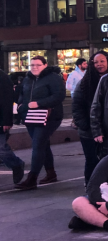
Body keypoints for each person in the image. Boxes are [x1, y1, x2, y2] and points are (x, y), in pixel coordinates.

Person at [13, 56, 66, 190]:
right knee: (42, 144)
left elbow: (59, 96)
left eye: (38, 65)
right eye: (32, 65)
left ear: (45, 65)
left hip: (49, 116)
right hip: (30, 117)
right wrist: (21, 106)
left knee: (38, 144)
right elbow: (22, 93)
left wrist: (39, 103)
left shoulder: (53, 78)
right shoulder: (28, 78)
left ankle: (32, 178)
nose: (35, 67)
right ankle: (51, 173)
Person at [72, 52, 108, 185]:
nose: (99, 64)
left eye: (102, 61)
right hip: (88, 131)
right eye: (96, 62)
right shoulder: (84, 83)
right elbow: (77, 106)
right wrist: (84, 125)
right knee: (92, 160)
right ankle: (90, 186)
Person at [0, 68, 24, 184]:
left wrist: (6, 121)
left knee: (2, 149)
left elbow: (7, 100)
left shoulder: (2, 77)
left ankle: (16, 164)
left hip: (1, 119)